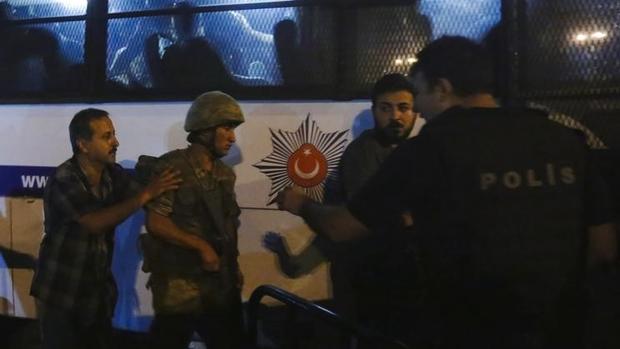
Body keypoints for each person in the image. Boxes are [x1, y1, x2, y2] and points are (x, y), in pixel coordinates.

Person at [276, 36, 617, 349]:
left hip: (468, 330)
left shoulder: (431, 149)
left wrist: (302, 203)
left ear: (442, 88)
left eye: (419, 93)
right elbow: (603, 249)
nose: (418, 108)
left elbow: (341, 227)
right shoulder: (565, 140)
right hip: (562, 329)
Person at [263, 73, 422, 332]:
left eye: (403, 108)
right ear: (374, 111)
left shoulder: (413, 150)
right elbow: (375, 218)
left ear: (415, 111)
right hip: (365, 277)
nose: (396, 117)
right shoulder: (364, 152)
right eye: (386, 108)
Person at [30, 108, 181, 349]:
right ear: (83, 145)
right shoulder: (64, 178)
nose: (115, 142)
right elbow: (93, 222)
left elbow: (146, 195)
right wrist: (146, 194)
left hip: (96, 296)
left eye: (114, 135)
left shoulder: (113, 175)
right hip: (62, 294)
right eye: (106, 137)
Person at [137, 91, 245, 349]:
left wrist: (233, 265)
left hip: (219, 282)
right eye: (226, 128)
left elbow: (229, 225)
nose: (232, 138)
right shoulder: (173, 167)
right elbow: (156, 222)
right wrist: (201, 246)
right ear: (205, 129)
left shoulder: (224, 175)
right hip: (180, 284)